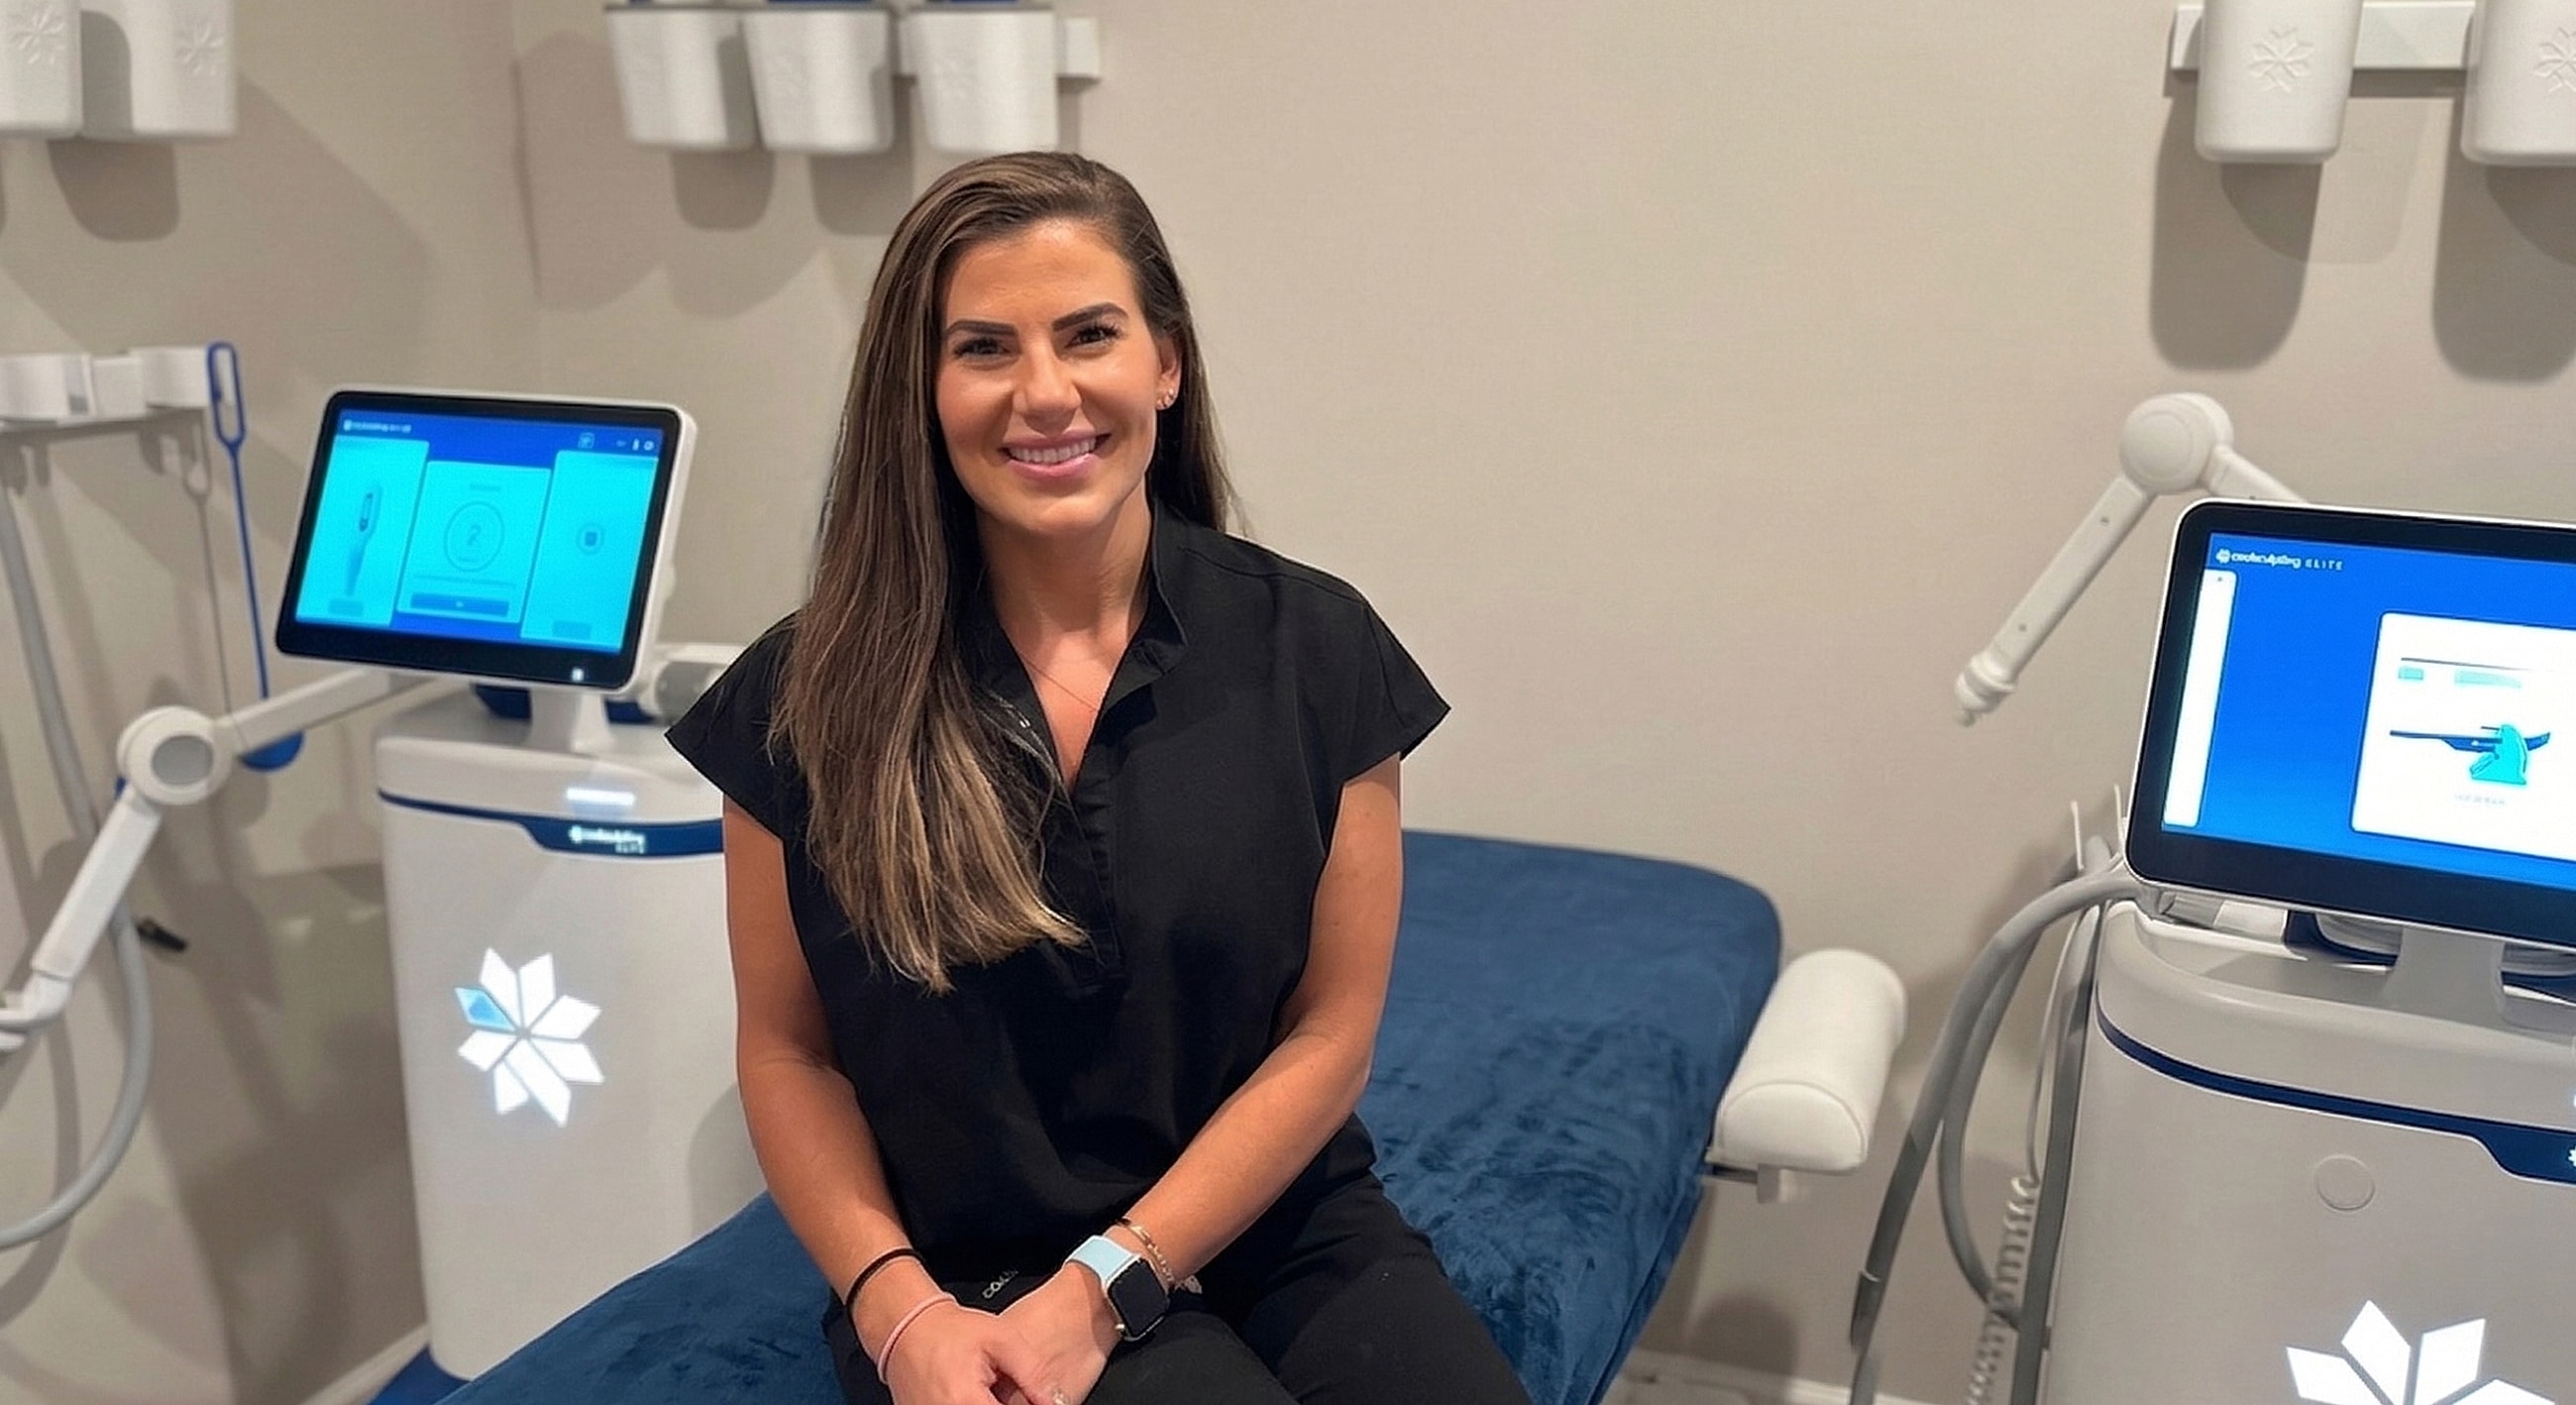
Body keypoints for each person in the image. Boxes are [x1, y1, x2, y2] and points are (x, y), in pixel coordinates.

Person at [666, 152, 1533, 1405]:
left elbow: (1329, 1031)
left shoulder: (1316, 648)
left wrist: (1112, 1280)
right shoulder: (799, 698)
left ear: (1165, 361)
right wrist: (899, 1314)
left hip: (1278, 1219)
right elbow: (789, 1052)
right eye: (982, 348)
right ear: (921, 388)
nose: (1044, 393)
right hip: (974, 1271)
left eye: (1088, 335)